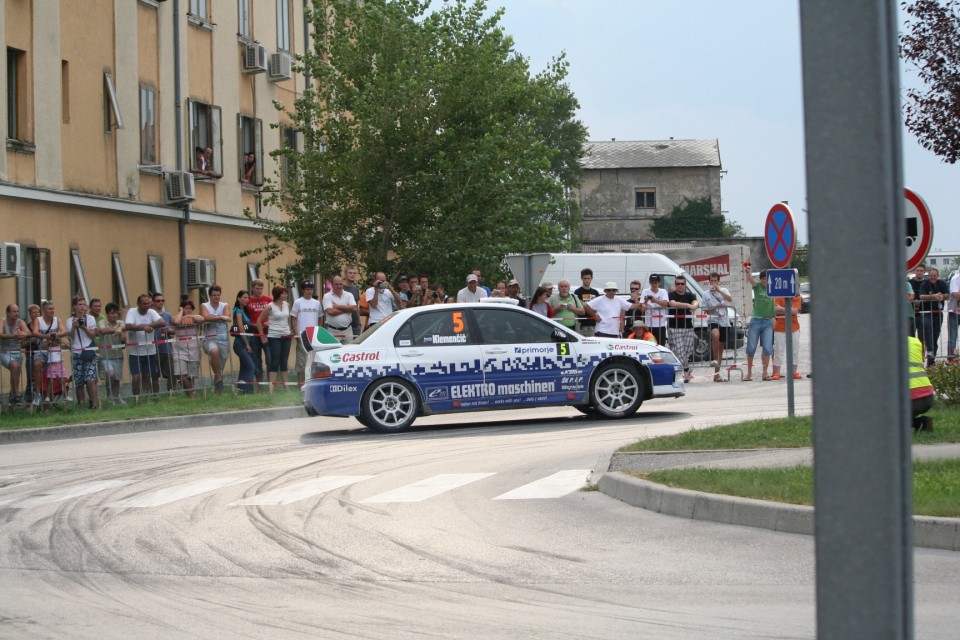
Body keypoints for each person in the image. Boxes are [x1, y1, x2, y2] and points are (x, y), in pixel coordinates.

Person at [125, 294, 165, 399]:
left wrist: (150, 326)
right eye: (144, 304)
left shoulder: (152, 312)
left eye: (148, 303)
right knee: (136, 377)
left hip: (150, 350)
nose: (147, 306)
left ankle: (148, 396)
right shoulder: (132, 312)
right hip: (135, 352)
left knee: (148, 375)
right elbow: (128, 325)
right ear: (138, 304)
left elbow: (162, 322)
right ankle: (136, 398)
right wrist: (143, 327)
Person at [256, 285, 292, 393]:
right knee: (274, 362)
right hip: (274, 336)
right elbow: (259, 321)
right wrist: (263, 337)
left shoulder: (286, 304)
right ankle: (271, 389)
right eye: (283, 293)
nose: (286, 295)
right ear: (277, 295)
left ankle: (287, 388)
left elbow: (286, 319)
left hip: (286, 335)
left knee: (284, 361)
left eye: (286, 293)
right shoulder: (269, 306)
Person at [30, 300, 67, 407]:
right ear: (44, 310)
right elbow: (35, 332)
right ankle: (37, 394)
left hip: (54, 351)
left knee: (55, 374)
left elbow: (64, 331)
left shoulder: (57, 319)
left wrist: (56, 334)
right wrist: (47, 336)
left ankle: (51, 399)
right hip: (42, 350)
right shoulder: (38, 320)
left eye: (53, 308)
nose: (52, 311)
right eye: (50, 309)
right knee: (37, 364)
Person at [66, 296, 99, 409]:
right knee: (79, 381)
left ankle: (94, 404)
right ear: (74, 306)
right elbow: (71, 338)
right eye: (80, 305)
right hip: (77, 352)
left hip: (89, 350)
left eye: (84, 305)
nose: (82, 307)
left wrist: (84, 327)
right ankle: (81, 405)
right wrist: (74, 327)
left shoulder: (90, 319)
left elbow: (93, 335)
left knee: (90, 379)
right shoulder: (69, 321)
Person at [701, 271, 733, 382]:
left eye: (715, 280)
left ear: (718, 281)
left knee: (721, 348)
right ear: (709, 282)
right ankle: (714, 359)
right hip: (713, 319)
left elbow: (730, 299)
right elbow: (705, 311)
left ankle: (716, 374)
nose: (713, 282)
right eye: (711, 281)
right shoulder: (706, 294)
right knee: (715, 335)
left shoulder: (724, 290)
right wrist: (715, 307)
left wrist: (719, 290)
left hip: (724, 321)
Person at [744, 267, 775, 381]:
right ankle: (749, 373)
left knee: (767, 348)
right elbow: (751, 280)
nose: (764, 281)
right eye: (762, 279)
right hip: (756, 320)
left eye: (766, 279)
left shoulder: (774, 288)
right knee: (751, 348)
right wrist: (748, 272)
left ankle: (765, 373)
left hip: (767, 321)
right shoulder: (757, 287)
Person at [667, 275, 700, 383]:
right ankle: (683, 371)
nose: (680, 286)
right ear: (675, 284)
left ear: (685, 285)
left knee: (688, 350)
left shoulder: (690, 295)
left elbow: (696, 302)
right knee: (680, 351)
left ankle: (686, 369)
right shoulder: (671, 294)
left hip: (688, 327)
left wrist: (694, 305)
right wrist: (688, 305)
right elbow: (673, 304)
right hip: (675, 327)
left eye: (682, 284)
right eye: (678, 284)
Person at [290, 280, 322, 388]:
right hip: (302, 336)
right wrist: (296, 333)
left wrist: (318, 332)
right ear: (303, 290)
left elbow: (320, 318)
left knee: (313, 362)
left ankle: (311, 386)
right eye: (307, 289)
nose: (309, 291)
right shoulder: (298, 302)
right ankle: (300, 386)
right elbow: (293, 319)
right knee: (301, 363)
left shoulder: (317, 303)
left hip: (313, 337)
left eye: (311, 289)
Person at [200, 284, 232, 394]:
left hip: (223, 338)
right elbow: (206, 317)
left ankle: (217, 387)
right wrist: (220, 317)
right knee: (214, 352)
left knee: (220, 365)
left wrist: (217, 318)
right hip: (209, 337)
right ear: (210, 296)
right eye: (214, 295)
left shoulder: (224, 305)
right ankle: (219, 378)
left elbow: (227, 317)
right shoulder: (204, 305)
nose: (216, 297)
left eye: (218, 295)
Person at [171, 300, 204, 398]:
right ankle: (192, 393)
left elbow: (202, 319)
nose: (188, 310)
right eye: (186, 308)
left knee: (191, 376)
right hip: (179, 351)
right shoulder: (176, 318)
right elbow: (176, 322)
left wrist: (191, 316)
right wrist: (181, 312)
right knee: (179, 373)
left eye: (190, 308)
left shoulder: (195, 318)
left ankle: (190, 396)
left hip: (194, 351)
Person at [918, 267, 949, 367]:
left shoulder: (942, 283)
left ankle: (931, 362)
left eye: (935, 276)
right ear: (929, 276)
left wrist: (941, 296)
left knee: (935, 338)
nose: (933, 277)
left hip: (938, 313)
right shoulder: (925, 284)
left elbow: (948, 295)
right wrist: (933, 296)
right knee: (929, 337)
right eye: (931, 276)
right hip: (927, 313)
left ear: (938, 276)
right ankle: (929, 354)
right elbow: (921, 296)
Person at [97, 302, 126, 405]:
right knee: (111, 374)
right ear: (107, 314)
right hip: (105, 355)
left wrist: (121, 331)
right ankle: (109, 395)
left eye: (116, 313)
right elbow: (102, 330)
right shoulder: (102, 322)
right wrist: (116, 330)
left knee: (117, 379)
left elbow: (124, 336)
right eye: (112, 313)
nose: (114, 315)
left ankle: (117, 397)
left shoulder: (121, 323)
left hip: (118, 355)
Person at [1, 304, 29, 405]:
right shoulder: (3, 322)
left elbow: (28, 332)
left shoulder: (20, 322)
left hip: (17, 352)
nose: (16, 313)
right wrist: (13, 335)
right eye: (14, 311)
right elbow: (0, 334)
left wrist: (23, 334)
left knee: (16, 373)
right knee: (14, 366)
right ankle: (17, 394)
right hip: (4, 352)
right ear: (8, 313)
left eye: (17, 311)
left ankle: (12, 399)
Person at [247, 279, 272, 393]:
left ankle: (271, 385)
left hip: (267, 332)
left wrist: (269, 323)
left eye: (261, 288)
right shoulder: (249, 301)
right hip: (254, 333)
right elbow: (245, 318)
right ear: (252, 288)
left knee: (270, 359)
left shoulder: (268, 300)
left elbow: (274, 314)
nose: (259, 290)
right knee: (257, 360)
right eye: (257, 288)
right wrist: (254, 325)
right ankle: (260, 387)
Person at [908, 332, 935, 431]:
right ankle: (921, 423)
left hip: (911, 399)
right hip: (928, 397)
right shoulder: (915, 342)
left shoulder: (885, 345)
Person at [772, 295, 802, 380]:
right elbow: (775, 309)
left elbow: (795, 311)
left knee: (795, 350)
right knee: (778, 350)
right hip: (780, 327)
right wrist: (789, 309)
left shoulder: (796, 296)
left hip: (794, 327)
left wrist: (781, 309)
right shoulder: (778, 295)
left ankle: (794, 372)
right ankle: (777, 372)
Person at [321, 276, 357, 344]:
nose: (339, 286)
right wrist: (347, 309)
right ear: (332, 284)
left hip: (348, 330)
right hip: (333, 331)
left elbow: (354, 308)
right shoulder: (327, 296)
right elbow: (330, 311)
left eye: (340, 284)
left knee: (348, 353)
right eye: (336, 284)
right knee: (333, 353)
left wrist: (337, 306)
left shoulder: (349, 295)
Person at [232, 290, 255, 394]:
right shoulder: (238, 311)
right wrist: (247, 344)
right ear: (238, 298)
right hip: (240, 344)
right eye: (244, 297)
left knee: (244, 367)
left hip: (243, 343)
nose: (246, 300)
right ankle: (248, 391)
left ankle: (241, 389)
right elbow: (241, 328)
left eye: (247, 298)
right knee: (251, 366)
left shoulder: (244, 311)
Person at [152, 293, 175, 393]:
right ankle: (155, 396)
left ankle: (171, 394)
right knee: (154, 375)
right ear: (153, 302)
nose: (161, 302)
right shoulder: (150, 314)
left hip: (167, 349)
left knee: (171, 373)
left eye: (162, 300)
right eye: (158, 301)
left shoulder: (168, 315)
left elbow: (174, 331)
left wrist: (170, 331)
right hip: (153, 349)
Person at [640, 273, 670, 347]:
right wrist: (646, 301)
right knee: (649, 345)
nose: (654, 285)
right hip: (649, 324)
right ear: (649, 283)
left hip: (661, 324)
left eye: (655, 282)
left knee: (661, 346)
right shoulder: (645, 291)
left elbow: (665, 304)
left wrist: (655, 300)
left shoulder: (663, 291)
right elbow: (643, 307)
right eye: (652, 282)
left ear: (659, 283)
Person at [573, 268, 601, 337]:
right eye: (585, 278)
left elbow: (598, 307)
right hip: (581, 323)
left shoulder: (595, 292)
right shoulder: (577, 292)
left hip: (593, 323)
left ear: (591, 278)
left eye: (589, 278)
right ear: (581, 278)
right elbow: (578, 306)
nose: (587, 280)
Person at [343, 267, 362, 339]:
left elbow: (356, 305)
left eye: (354, 273)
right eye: (350, 273)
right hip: (345, 324)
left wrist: (359, 322)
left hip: (355, 324)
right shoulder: (340, 288)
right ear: (345, 274)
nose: (352, 275)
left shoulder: (355, 288)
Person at [910, 264, 926, 344]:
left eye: (921, 271)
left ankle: (922, 356)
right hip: (911, 314)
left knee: (922, 339)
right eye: (917, 270)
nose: (919, 272)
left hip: (923, 314)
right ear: (914, 271)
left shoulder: (926, 283)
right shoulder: (910, 283)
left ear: (924, 272)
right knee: (910, 338)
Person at [947, 269, 960, 362]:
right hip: (954, 312)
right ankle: (951, 359)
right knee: (952, 337)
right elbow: (955, 294)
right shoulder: (955, 278)